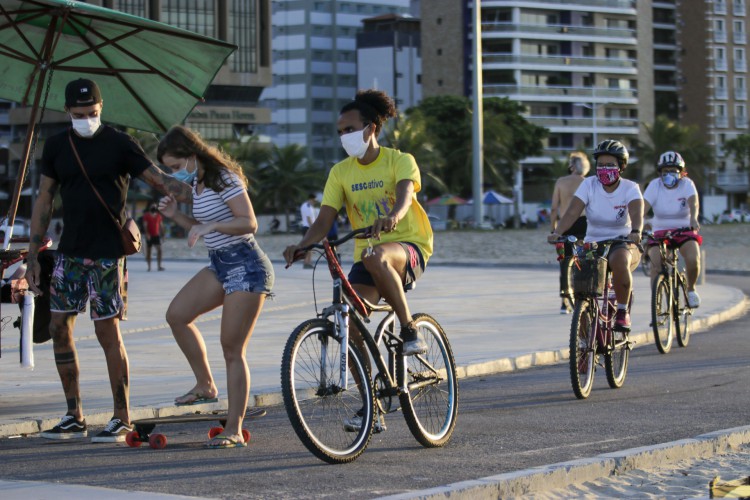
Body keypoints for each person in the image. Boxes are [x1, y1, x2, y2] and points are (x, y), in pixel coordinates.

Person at [25, 78, 193, 442]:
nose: (87, 118)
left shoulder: (119, 143)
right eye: (80, 113)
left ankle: (122, 417)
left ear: (101, 109)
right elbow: (44, 199)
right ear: (68, 111)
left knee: (107, 333)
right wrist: (33, 255)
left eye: (93, 113)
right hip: (70, 252)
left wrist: (206, 188)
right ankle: (74, 415)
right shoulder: (56, 146)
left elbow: (160, 180)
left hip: (107, 255)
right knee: (57, 328)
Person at [283, 89, 434, 432]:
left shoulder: (400, 159)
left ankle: (409, 328)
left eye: (349, 129)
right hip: (365, 258)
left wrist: (393, 217)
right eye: (339, 132)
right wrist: (302, 244)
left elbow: (405, 196)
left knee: (377, 253)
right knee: (347, 324)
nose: (343, 137)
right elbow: (324, 221)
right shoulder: (340, 172)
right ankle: (372, 405)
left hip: (408, 246)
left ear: (371, 128)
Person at [157, 125, 274, 449]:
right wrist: (175, 215)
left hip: (247, 267)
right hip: (220, 264)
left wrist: (212, 224)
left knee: (232, 349)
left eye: (177, 167)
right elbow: (201, 228)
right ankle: (205, 385)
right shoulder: (198, 182)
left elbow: (249, 222)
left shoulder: (224, 177)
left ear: (192, 155)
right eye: (170, 169)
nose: (174, 173)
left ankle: (234, 428)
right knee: (177, 315)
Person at [548, 139, 643, 331]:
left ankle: (623, 312)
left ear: (621, 166)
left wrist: (636, 231)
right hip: (593, 243)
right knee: (581, 283)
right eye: (600, 165)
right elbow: (573, 212)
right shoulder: (589, 184)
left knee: (619, 260)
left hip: (622, 241)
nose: (604, 169)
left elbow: (636, 213)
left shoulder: (630, 188)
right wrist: (557, 232)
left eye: (610, 165)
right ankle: (583, 340)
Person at [643, 151, 702, 308]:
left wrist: (693, 218)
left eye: (673, 171)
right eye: (665, 171)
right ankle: (657, 300)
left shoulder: (687, 184)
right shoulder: (655, 185)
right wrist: (637, 224)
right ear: (660, 172)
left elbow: (693, 203)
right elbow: (643, 207)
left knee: (693, 259)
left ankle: (690, 290)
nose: (668, 174)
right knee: (656, 263)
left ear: (681, 172)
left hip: (684, 228)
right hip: (660, 229)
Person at [550, 151, 590, 314]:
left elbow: (554, 208)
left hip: (566, 225)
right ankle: (584, 295)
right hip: (584, 224)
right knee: (585, 260)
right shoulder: (587, 182)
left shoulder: (561, 182)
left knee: (565, 261)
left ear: (571, 166)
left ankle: (564, 301)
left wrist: (553, 229)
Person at [142, 203, 165, 272]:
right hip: (149, 235)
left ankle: (159, 266)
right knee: (149, 251)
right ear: (150, 208)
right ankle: (149, 267)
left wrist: (163, 235)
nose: (154, 208)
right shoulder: (146, 216)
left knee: (159, 250)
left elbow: (161, 226)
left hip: (156, 235)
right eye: (152, 207)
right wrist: (147, 234)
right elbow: (145, 225)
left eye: (155, 207)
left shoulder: (158, 216)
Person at [299, 193, 318, 268]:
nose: (315, 202)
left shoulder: (309, 206)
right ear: (311, 199)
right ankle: (307, 262)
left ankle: (307, 262)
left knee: (309, 246)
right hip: (308, 228)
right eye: (314, 200)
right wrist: (313, 229)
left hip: (308, 228)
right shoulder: (307, 206)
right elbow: (309, 219)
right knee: (309, 246)